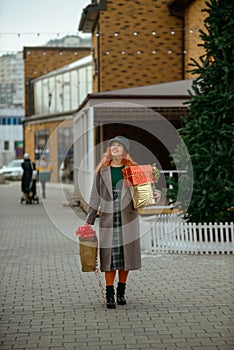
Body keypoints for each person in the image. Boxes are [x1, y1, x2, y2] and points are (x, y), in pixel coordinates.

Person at [86, 136, 161, 309]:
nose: (115, 147)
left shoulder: (133, 169)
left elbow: (146, 187)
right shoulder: (102, 171)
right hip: (108, 218)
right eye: (112, 145)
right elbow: (95, 196)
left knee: (126, 257)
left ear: (125, 150)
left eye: (119, 145)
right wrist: (90, 219)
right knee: (110, 257)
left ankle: (121, 291)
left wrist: (155, 193)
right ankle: (110, 294)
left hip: (128, 217)